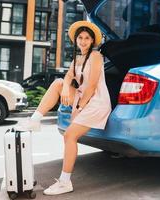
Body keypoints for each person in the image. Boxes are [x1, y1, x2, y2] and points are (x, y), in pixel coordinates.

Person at [15, 20, 112, 195]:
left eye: (87, 38)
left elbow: (91, 86)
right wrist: (67, 87)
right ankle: (35, 120)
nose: (83, 41)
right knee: (59, 83)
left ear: (92, 41)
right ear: (76, 40)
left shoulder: (96, 56)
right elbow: (67, 77)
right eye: (80, 38)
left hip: (96, 102)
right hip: (83, 98)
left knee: (69, 135)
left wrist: (79, 108)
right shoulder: (77, 59)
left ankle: (65, 182)